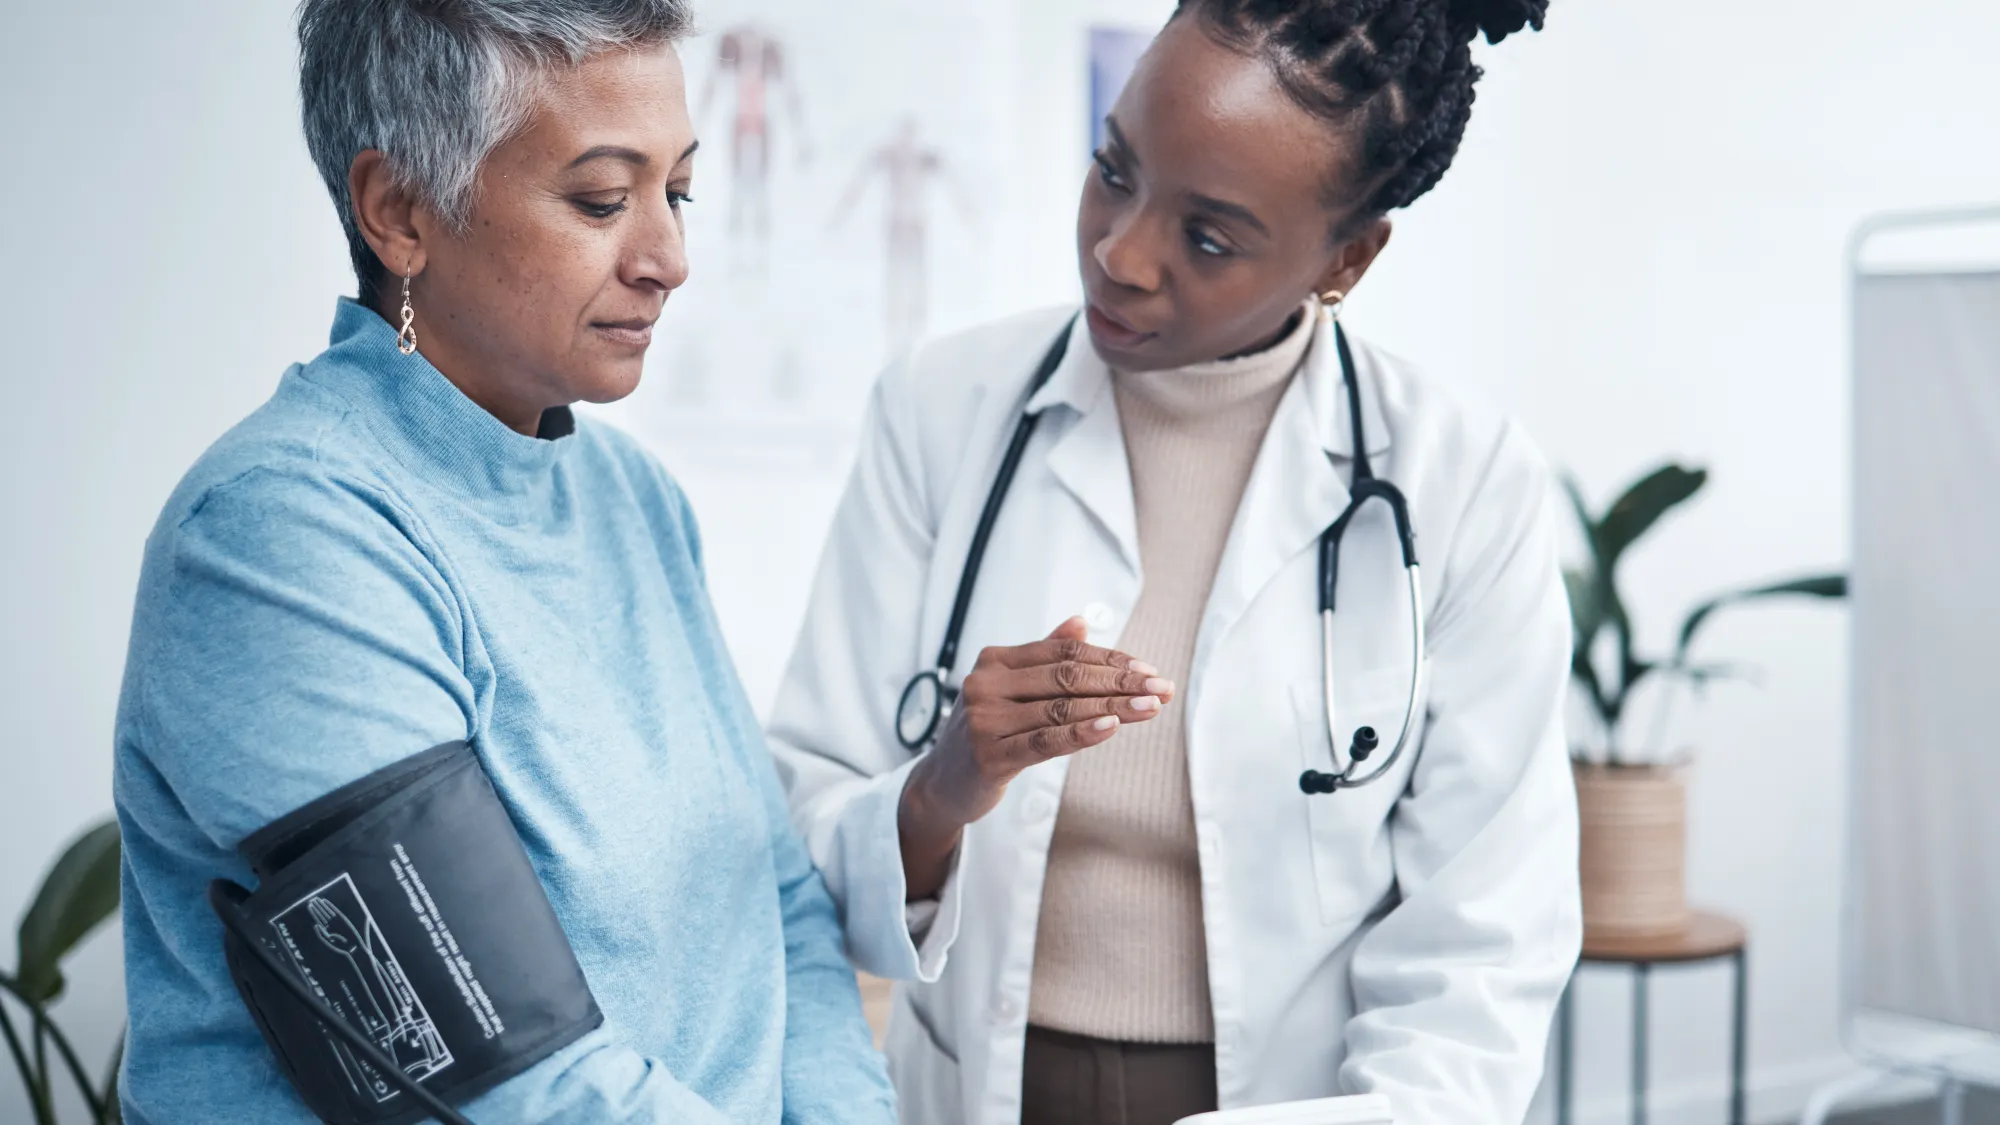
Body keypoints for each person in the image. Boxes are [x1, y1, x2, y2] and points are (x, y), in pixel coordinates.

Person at [767, 2, 1579, 1124]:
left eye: (1206, 237)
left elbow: (1478, 951)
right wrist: (941, 790)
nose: (1119, 252)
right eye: (1113, 169)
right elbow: (801, 820)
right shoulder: (941, 410)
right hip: (971, 1092)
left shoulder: (1462, 484)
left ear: (1347, 257)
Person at [110, 3, 894, 1123]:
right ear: (399, 212)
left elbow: (774, 906)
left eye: (677, 191)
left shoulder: (636, 504)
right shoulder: (278, 539)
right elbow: (501, 1073)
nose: (669, 257)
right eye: (601, 199)